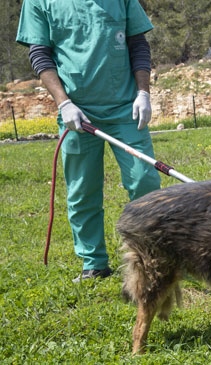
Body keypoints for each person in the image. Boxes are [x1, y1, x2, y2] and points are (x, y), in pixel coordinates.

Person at [16, 0, 162, 282]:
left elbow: (138, 44)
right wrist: (64, 103)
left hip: (125, 108)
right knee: (83, 191)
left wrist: (143, 93)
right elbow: (40, 54)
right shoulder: (39, 2)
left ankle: (151, 256)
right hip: (77, 111)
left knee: (145, 181)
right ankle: (94, 263)